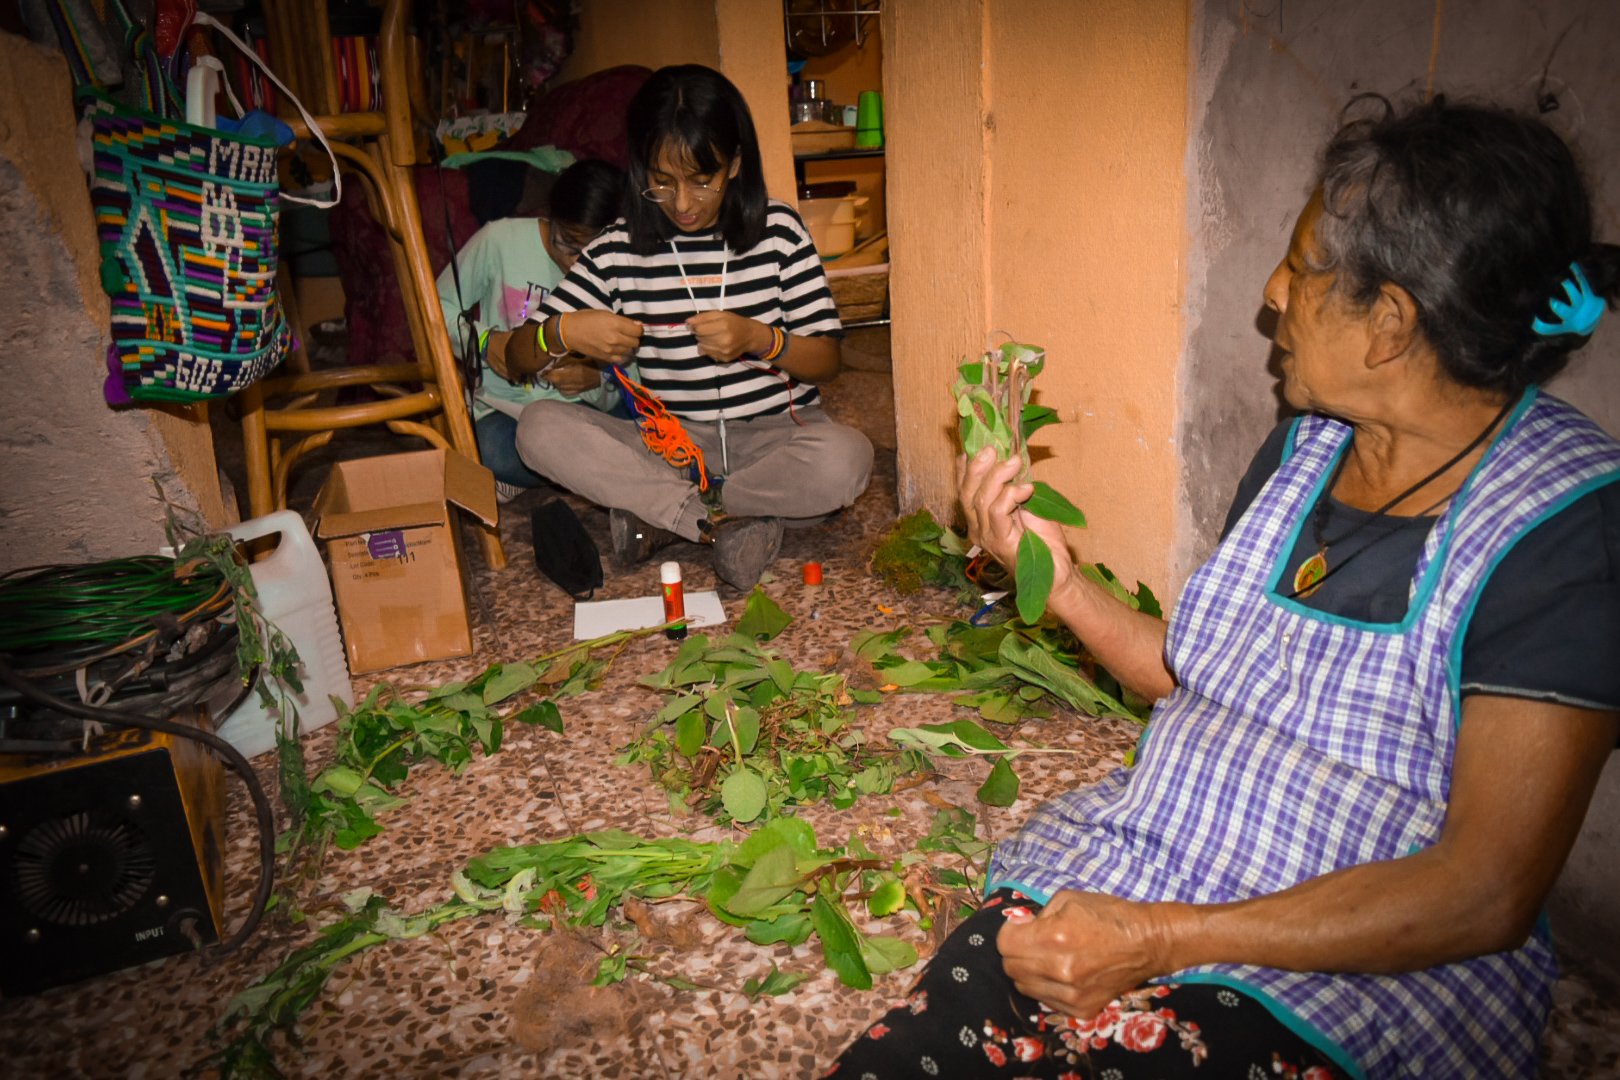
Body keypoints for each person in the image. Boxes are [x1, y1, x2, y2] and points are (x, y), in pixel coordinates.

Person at [831, 96, 1620, 1079]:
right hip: (1163, 858)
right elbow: (1201, 677)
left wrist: (1158, 942)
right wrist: (1058, 576)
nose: (1272, 292)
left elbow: (1485, 890)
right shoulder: (1305, 449)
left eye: (1301, 268)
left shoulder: (1562, 528)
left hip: (1358, 969)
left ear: (1389, 323)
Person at [509, 64, 874, 591]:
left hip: (777, 439)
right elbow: (520, 357)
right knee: (537, 428)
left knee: (846, 460)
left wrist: (760, 339)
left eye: (702, 181)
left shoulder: (779, 232)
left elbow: (828, 361)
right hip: (670, 447)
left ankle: (670, 518)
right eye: (662, 181)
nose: (682, 203)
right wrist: (561, 333)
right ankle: (715, 521)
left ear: (734, 166)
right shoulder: (617, 249)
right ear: (640, 171)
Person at [436, 158, 628, 499]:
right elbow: (436, 308)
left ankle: (568, 474)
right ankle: (604, 477)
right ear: (551, 216)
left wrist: (597, 379)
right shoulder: (501, 240)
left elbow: (636, 369)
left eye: (591, 254)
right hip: (508, 412)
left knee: (640, 427)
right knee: (490, 448)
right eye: (567, 243)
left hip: (581, 414)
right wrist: (482, 340)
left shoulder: (620, 266)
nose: (574, 264)